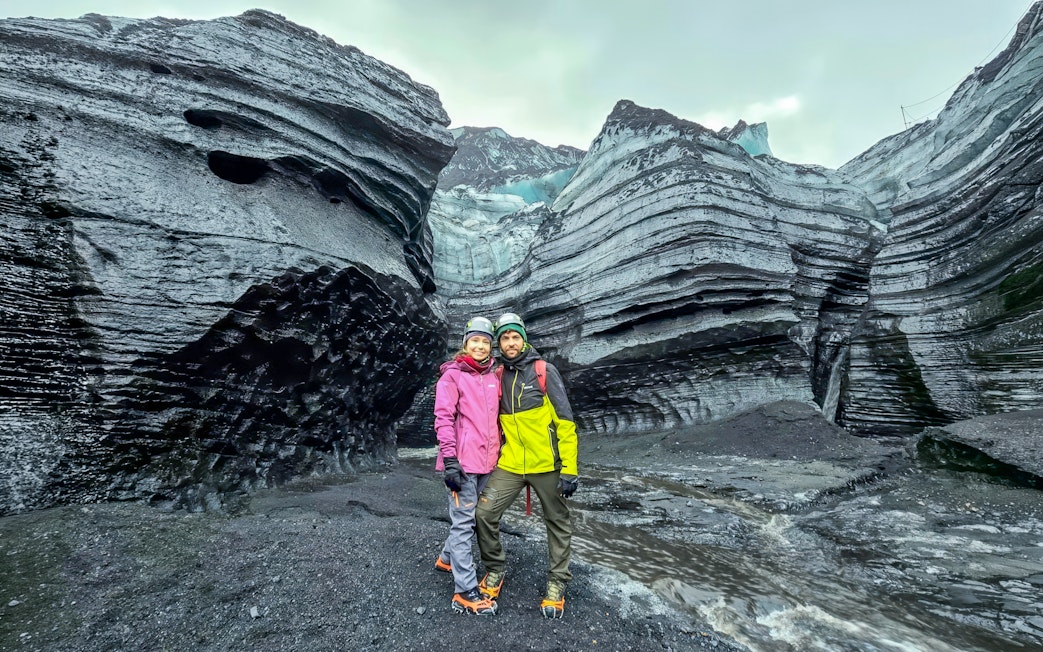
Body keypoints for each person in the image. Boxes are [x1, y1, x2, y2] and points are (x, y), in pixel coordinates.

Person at [475, 312, 579, 618]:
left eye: (514, 336)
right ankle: (495, 569)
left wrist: (570, 469)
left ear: (524, 339)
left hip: (546, 464)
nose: (510, 342)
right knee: (484, 513)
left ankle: (557, 583)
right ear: (499, 343)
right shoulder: (496, 375)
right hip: (510, 464)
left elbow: (566, 422)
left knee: (557, 523)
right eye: (504, 337)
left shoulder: (544, 371)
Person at [433, 316, 502, 616]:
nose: (479, 345)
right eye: (474, 340)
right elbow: (443, 419)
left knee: (472, 519)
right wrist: (450, 461)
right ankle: (465, 590)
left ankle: (446, 560)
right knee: (464, 524)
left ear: (490, 346)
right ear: (465, 343)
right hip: (462, 465)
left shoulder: (494, 376)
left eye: (485, 341)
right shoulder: (452, 377)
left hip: (489, 463)